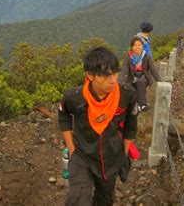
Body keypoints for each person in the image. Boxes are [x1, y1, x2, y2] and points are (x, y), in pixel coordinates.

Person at [58, 47, 138, 206]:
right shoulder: (74, 97)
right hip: (82, 156)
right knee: (78, 200)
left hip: (112, 157)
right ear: (90, 75)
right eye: (106, 75)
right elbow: (64, 116)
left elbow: (131, 125)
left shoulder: (127, 94)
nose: (113, 80)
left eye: (115, 73)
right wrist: (72, 149)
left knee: (105, 200)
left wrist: (124, 152)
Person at [119, 37, 163, 112]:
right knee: (128, 87)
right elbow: (124, 69)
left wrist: (161, 82)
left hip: (144, 76)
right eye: (135, 45)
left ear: (142, 46)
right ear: (132, 47)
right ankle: (130, 104)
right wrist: (119, 82)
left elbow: (153, 69)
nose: (137, 47)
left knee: (140, 82)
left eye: (139, 45)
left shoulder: (146, 56)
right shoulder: (129, 57)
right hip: (132, 77)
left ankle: (142, 105)